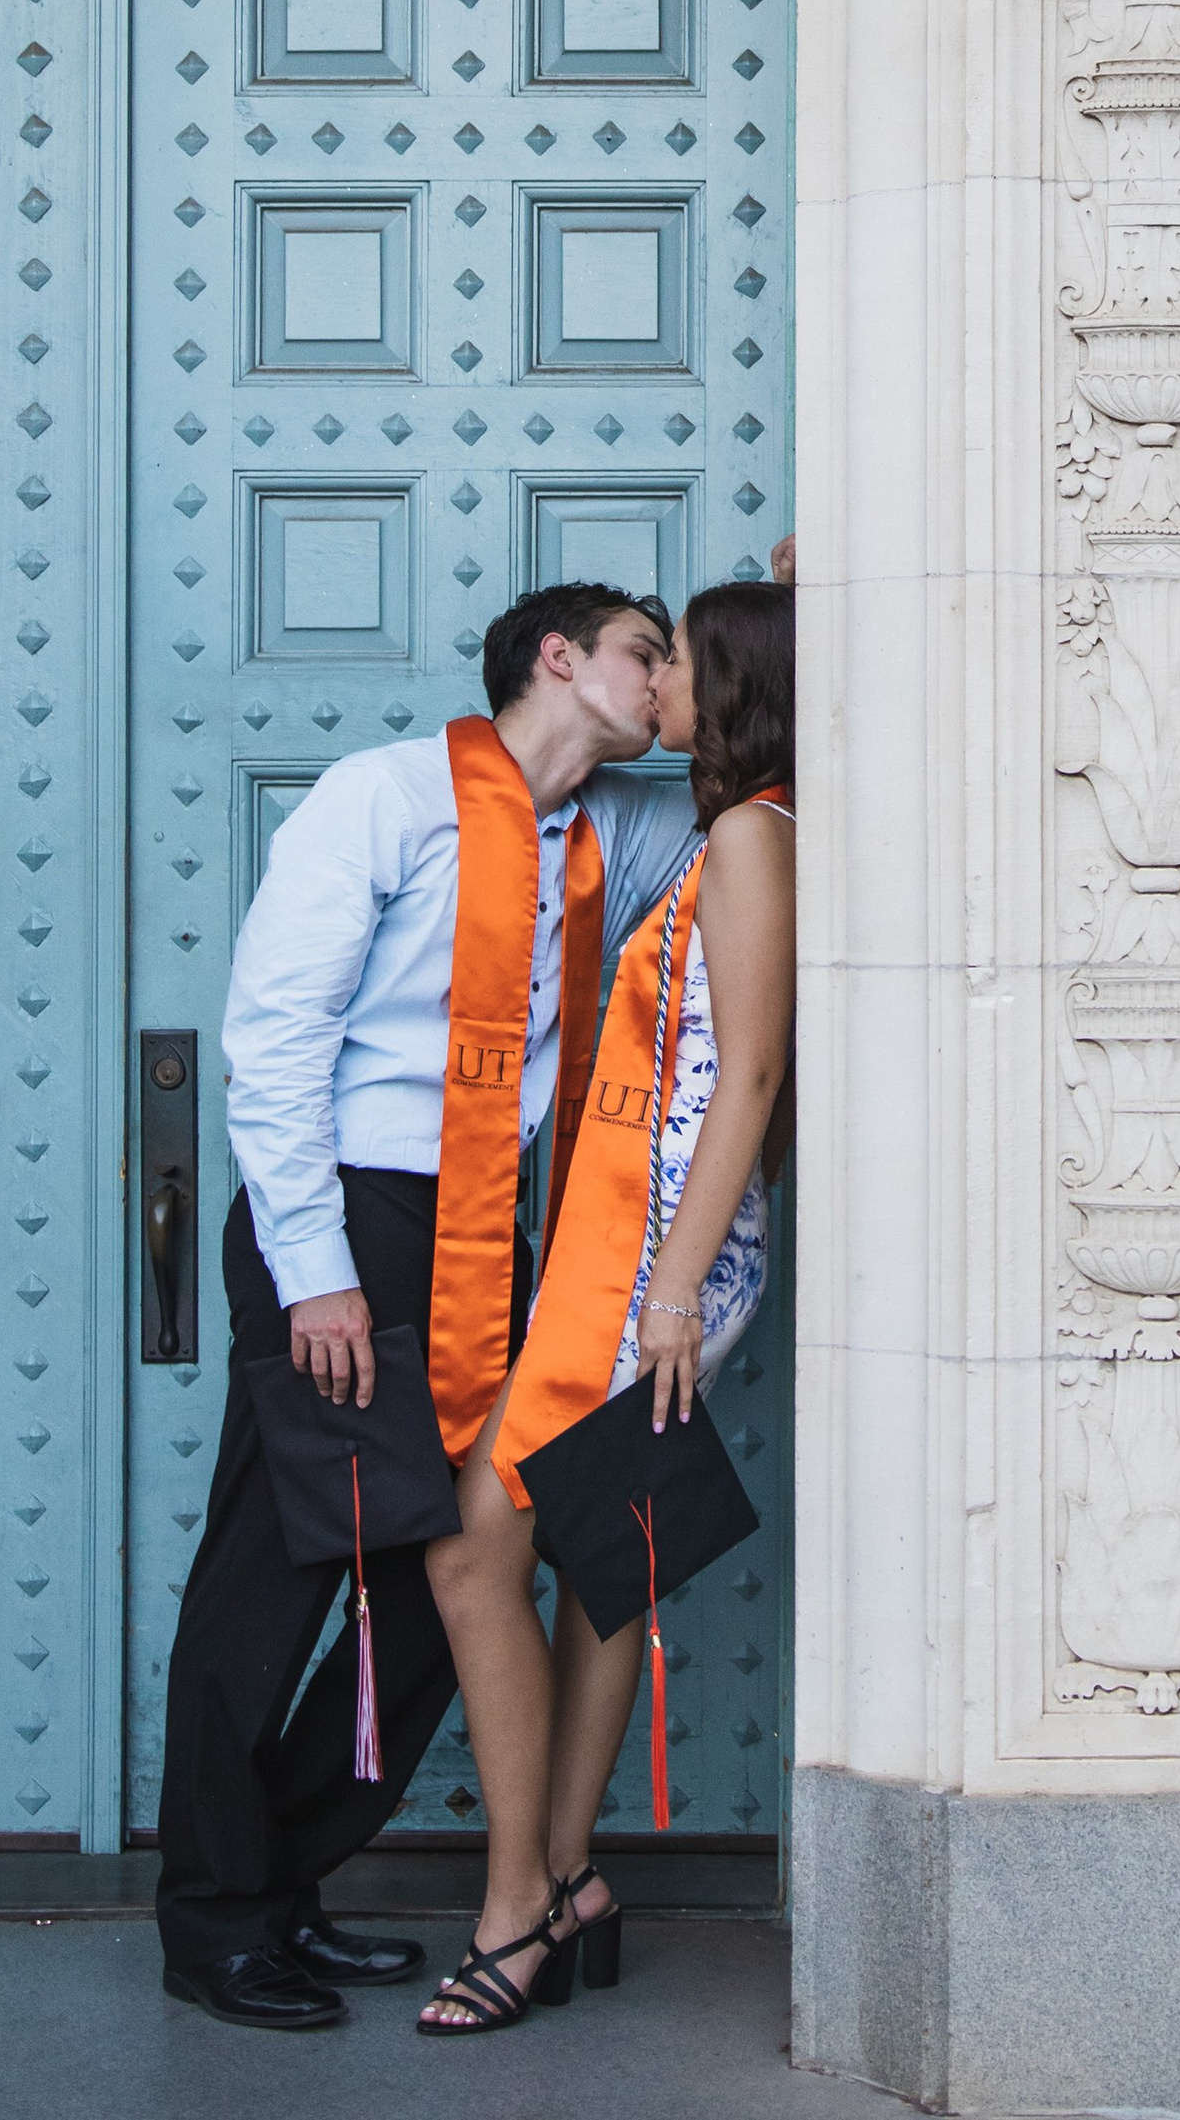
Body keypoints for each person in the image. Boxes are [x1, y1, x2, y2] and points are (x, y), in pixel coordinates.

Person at [154, 581, 695, 2032]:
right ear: (560, 657)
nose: (667, 682)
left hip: (484, 1235)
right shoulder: (383, 797)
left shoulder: (621, 832)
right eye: (648, 653)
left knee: (439, 1578)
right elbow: (277, 1032)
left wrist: (789, 605)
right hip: (350, 1218)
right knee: (277, 1569)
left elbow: (778, 772)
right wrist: (314, 1266)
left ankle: (283, 1880)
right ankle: (212, 1919)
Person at [414, 578, 797, 2035]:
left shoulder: (753, 836)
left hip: (659, 1260)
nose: (661, 679)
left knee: (477, 1545)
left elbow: (749, 1074)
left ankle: (516, 1907)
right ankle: (568, 1881)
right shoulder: (741, 824)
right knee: (593, 1559)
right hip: (638, 1243)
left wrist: (680, 1288)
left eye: (679, 657)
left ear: (733, 682)